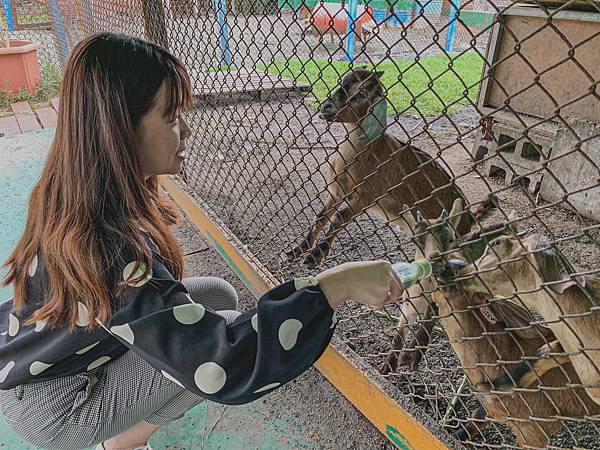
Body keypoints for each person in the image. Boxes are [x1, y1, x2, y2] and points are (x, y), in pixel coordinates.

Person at [0, 33, 403, 450]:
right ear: (123, 129)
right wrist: (333, 288)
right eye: (172, 117)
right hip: (59, 406)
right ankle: (121, 443)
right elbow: (225, 365)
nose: (187, 128)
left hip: (45, 354)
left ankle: (125, 435)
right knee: (218, 340)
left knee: (217, 294)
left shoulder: (76, 188)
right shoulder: (111, 248)